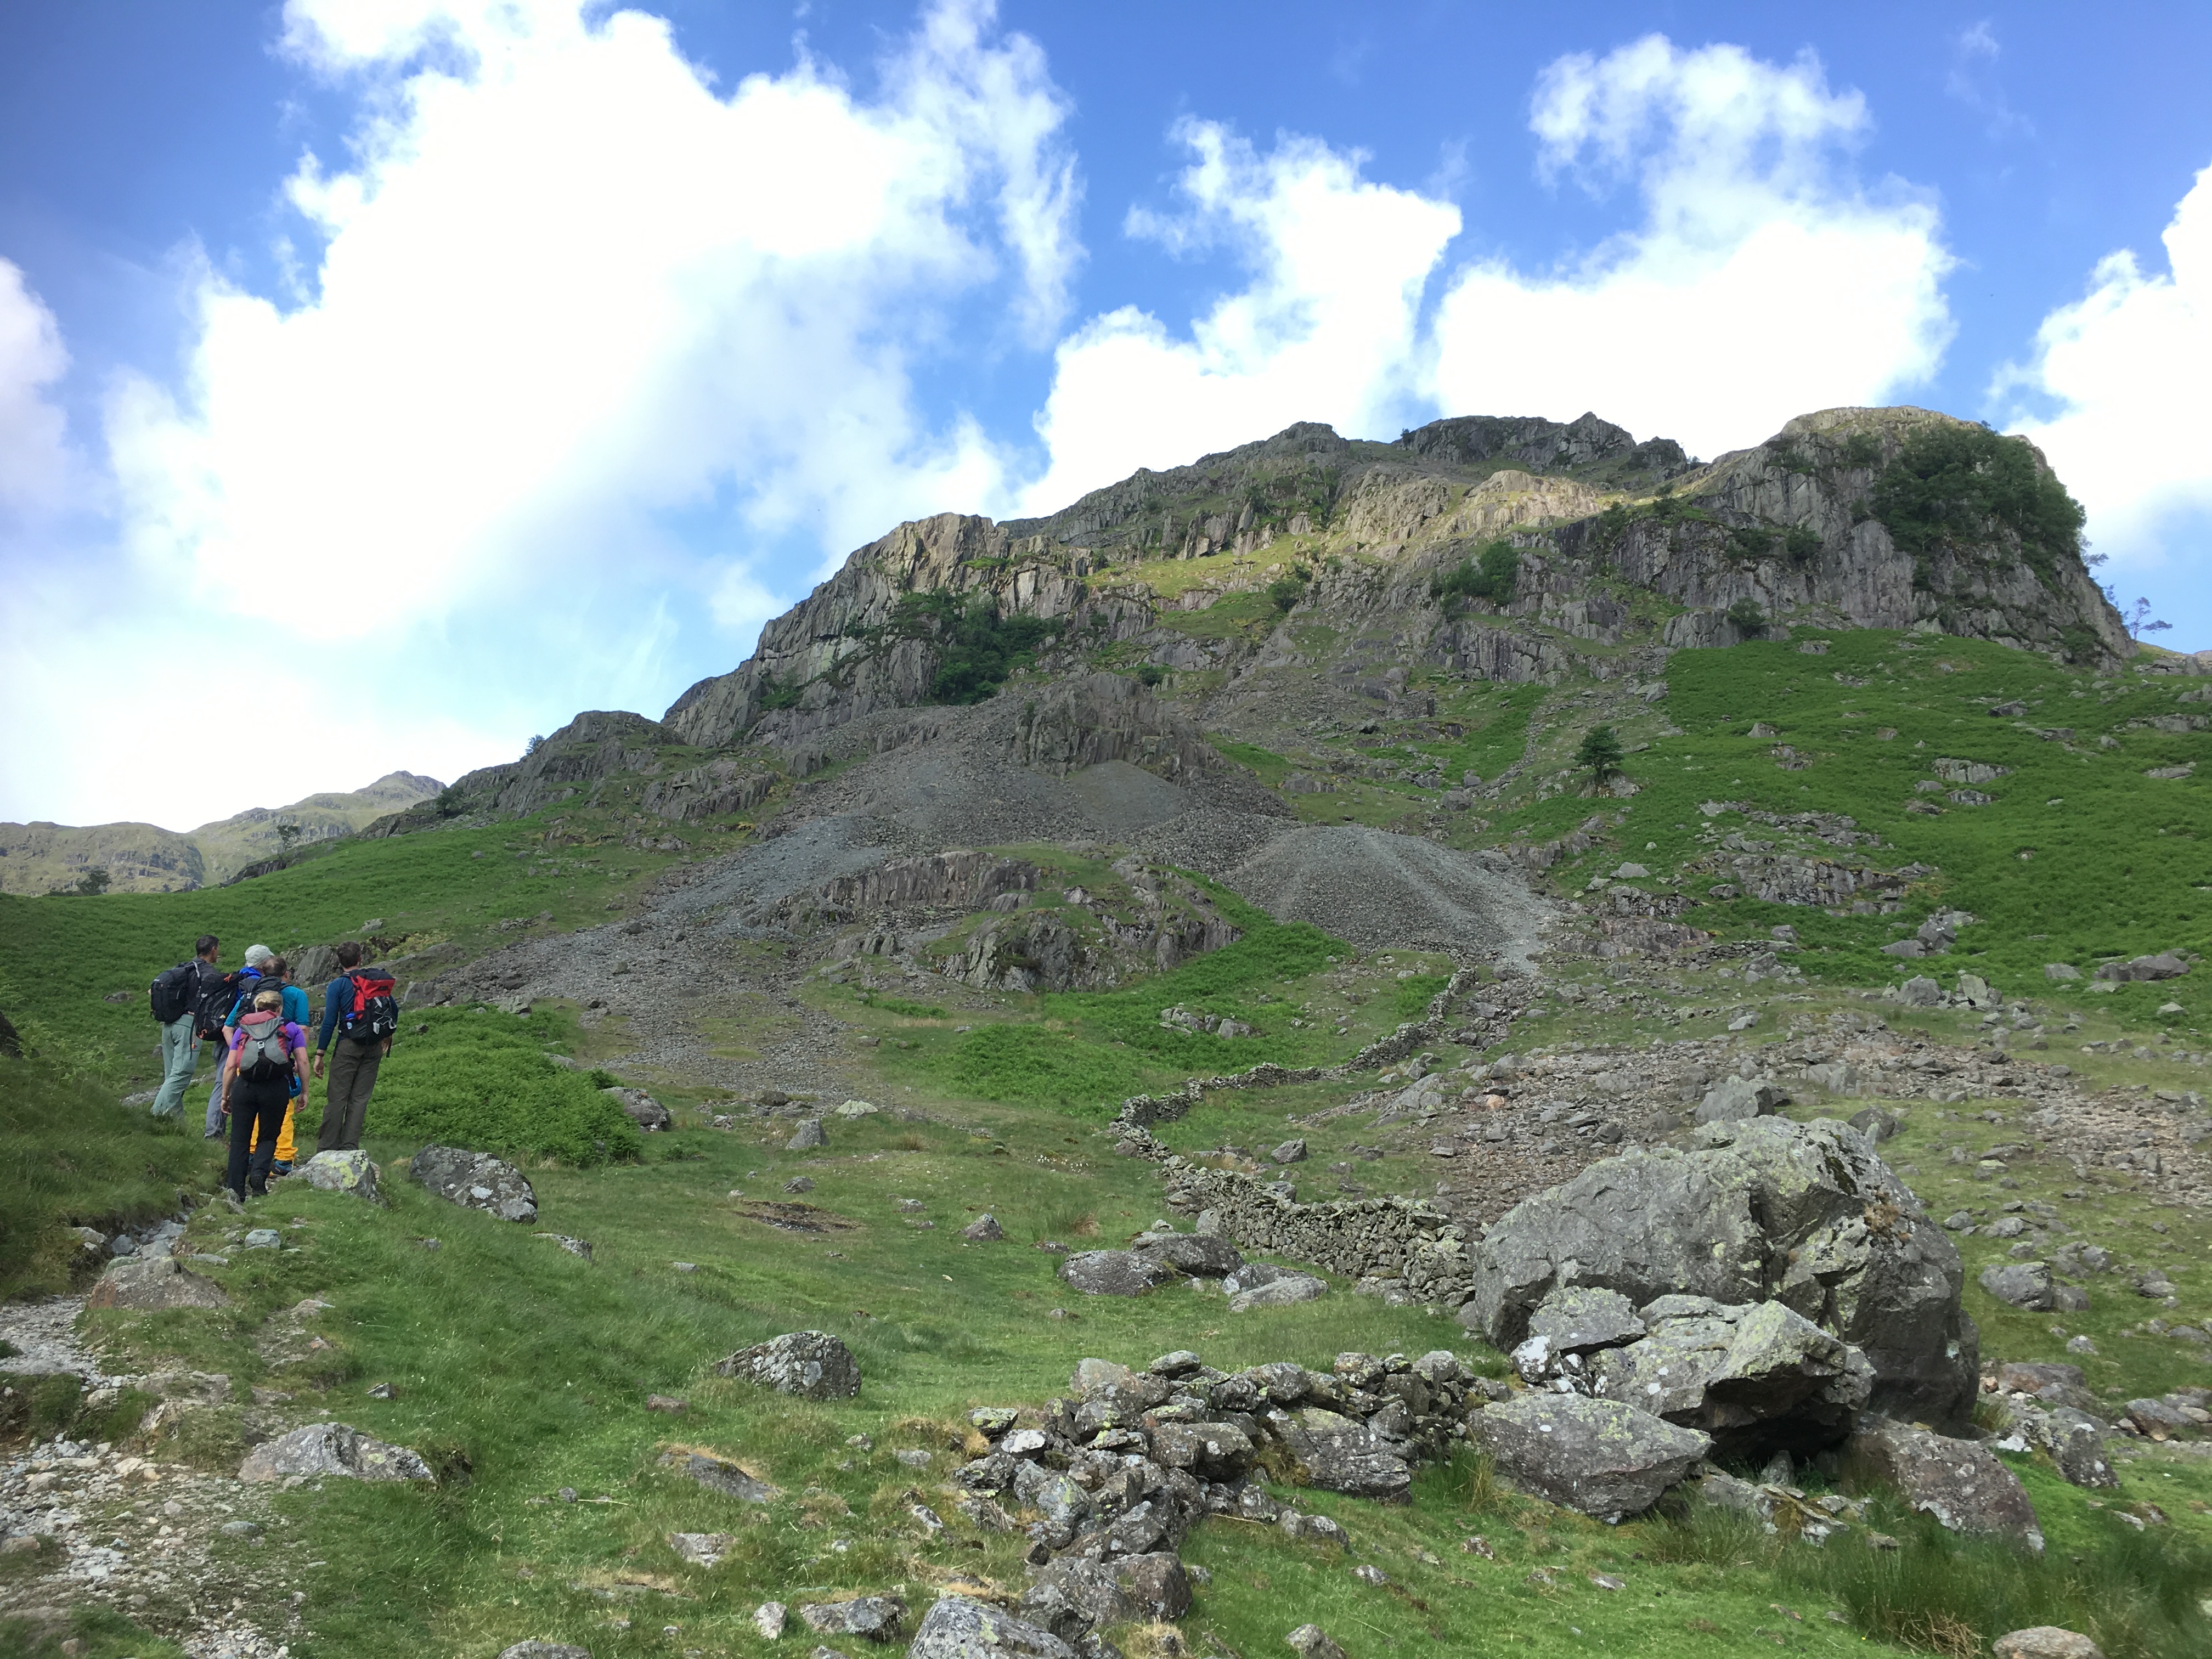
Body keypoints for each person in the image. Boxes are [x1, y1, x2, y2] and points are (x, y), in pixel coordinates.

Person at [221, 987, 308, 1200]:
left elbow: (231, 1065)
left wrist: (225, 1095)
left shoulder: (242, 1029)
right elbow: (303, 1061)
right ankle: (259, 1175)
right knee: (268, 1137)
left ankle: (236, 1189)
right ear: (279, 1008)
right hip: (276, 1088)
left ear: (257, 1007)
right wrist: (305, 1091)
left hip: (246, 1086)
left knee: (240, 1140)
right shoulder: (290, 1028)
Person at [315, 942, 394, 1152]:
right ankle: (350, 1148)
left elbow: (329, 1022)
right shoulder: (375, 981)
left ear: (340, 962)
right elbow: (392, 1008)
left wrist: (320, 1053)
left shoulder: (337, 986)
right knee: (360, 1099)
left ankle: (326, 1149)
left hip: (348, 1045)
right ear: (360, 959)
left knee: (337, 1099)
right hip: (374, 1045)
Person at [201, 944, 274, 1138]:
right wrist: (237, 1045)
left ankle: (220, 1132)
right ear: (263, 963)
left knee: (226, 1083)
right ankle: (213, 1134)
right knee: (223, 1084)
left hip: (224, 1037)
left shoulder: (239, 976)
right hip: (234, 1038)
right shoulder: (255, 983)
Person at [149, 934, 221, 1119]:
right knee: (182, 1072)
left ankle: (176, 1121)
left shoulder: (182, 968)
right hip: (187, 1024)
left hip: (169, 1024)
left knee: (171, 1075)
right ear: (213, 949)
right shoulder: (206, 971)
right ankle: (155, 1116)